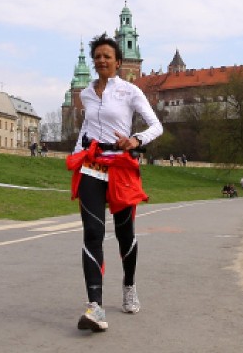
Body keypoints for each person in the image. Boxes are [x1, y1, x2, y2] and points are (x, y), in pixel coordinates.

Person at [66, 34, 163, 333]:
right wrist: (75, 156)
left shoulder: (130, 91)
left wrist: (135, 139)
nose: (101, 60)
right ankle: (95, 306)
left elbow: (156, 125)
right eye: (98, 56)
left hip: (121, 165)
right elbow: (86, 126)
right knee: (92, 233)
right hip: (93, 165)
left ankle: (129, 285)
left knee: (125, 234)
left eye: (107, 56)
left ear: (118, 62)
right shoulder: (86, 93)